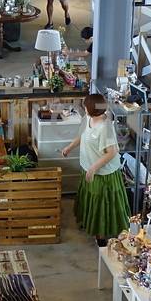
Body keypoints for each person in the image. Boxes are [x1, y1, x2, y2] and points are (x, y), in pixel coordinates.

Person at [61, 93, 130, 247]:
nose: (84, 108)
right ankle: (91, 225)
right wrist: (69, 147)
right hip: (88, 167)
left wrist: (93, 168)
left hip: (102, 174)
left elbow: (111, 152)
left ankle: (101, 237)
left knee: (101, 203)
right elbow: (82, 136)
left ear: (92, 109)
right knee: (90, 199)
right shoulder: (88, 119)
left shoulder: (105, 128)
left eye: (85, 106)